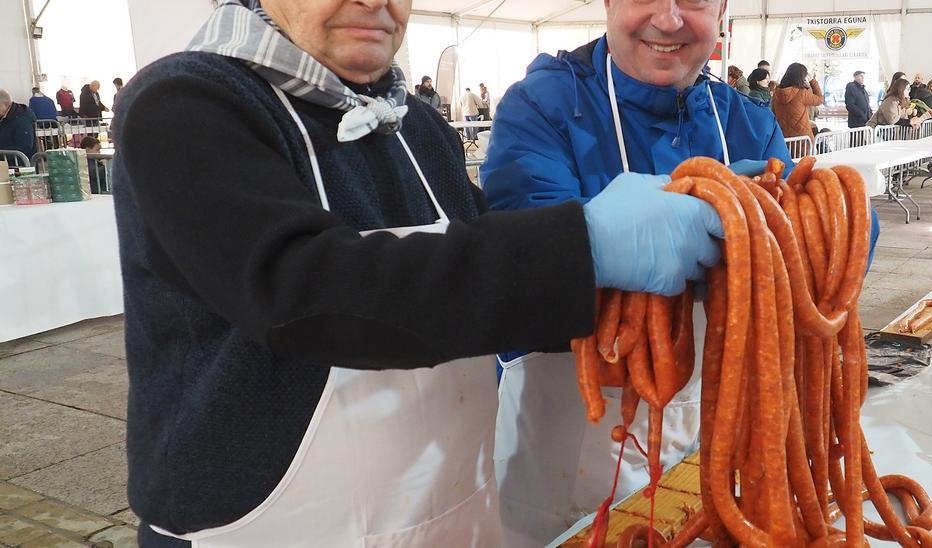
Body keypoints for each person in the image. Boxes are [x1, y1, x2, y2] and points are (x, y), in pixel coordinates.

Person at [113, 1, 726, 546]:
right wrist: (585, 242)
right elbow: (303, 288)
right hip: (263, 526)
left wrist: (730, 229)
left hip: (453, 514)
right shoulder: (186, 102)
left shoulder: (416, 127)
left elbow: (485, 281)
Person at [480, 2, 875, 544]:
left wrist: (836, 231)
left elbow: (805, 287)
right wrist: (719, 230)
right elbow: (523, 264)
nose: (667, 21)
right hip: (570, 440)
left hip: (726, 431)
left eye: (693, 0)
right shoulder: (542, 107)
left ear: (721, 12)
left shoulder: (747, 122)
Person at [772, 62, 825, 142]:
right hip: (803, 139)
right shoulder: (801, 93)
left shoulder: (776, 93)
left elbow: (774, 112)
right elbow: (820, 99)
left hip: (783, 138)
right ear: (801, 77)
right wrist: (812, 81)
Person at [0, 89, 37, 160]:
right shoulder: (5, 117)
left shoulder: (22, 120)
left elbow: (24, 147)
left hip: (19, 165)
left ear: (3, 105)